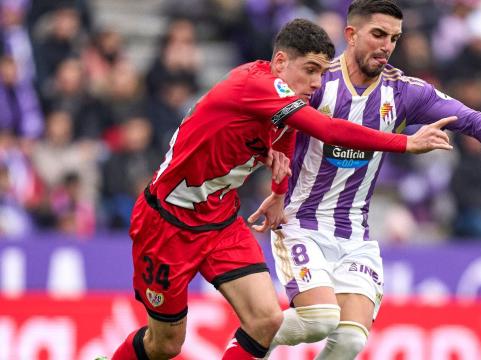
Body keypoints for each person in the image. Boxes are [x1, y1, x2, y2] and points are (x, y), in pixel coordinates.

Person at [109, 18, 455, 360]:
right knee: (165, 344)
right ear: (280, 62)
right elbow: (329, 130)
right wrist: (405, 143)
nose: (316, 83)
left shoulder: (283, 101)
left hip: (221, 221)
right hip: (167, 224)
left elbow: (285, 137)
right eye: (310, 70)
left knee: (267, 321)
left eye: (321, 73)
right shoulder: (255, 85)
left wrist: (278, 191)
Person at [261, 1, 481, 359]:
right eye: (378, 34)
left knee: (350, 340)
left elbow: (470, 118)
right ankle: (252, 335)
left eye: (394, 37)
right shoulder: (317, 80)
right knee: (319, 320)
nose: (386, 45)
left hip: (355, 235)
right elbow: (265, 119)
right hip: (301, 222)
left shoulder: (404, 91)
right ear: (351, 34)